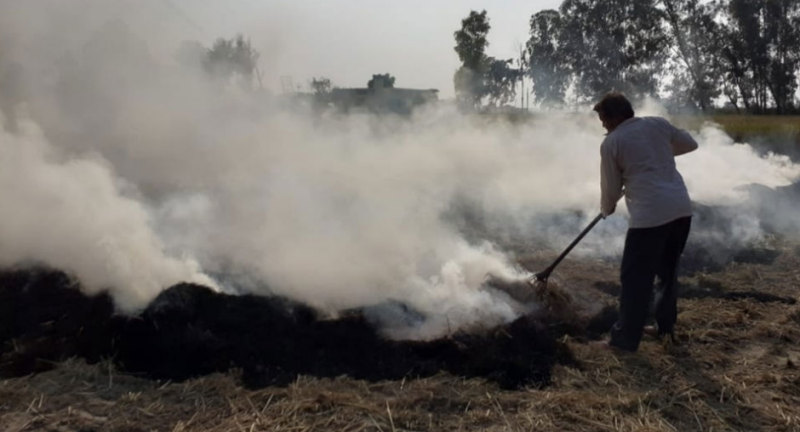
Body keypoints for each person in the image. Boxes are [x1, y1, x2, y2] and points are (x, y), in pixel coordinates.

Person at [593, 92, 698, 352]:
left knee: (635, 278)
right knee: (667, 272)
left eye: (603, 119)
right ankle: (664, 329)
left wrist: (606, 208)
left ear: (615, 117)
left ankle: (624, 340)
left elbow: (611, 187)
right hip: (681, 210)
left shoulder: (612, 143)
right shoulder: (656, 124)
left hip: (651, 217)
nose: (602, 125)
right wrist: (655, 153)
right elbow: (690, 143)